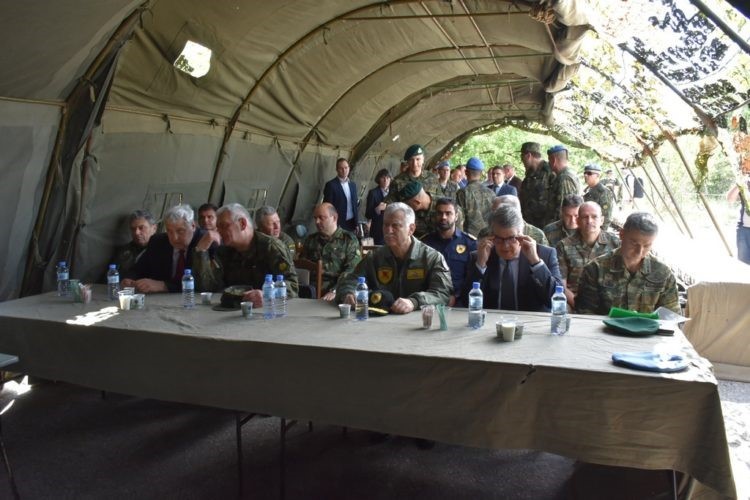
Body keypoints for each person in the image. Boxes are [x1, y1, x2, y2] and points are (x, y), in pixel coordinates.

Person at [336, 203, 452, 313]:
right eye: (385, 225)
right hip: (379, 319)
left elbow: (442, 294)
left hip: (417, 321)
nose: (388, 230)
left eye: (395, 226)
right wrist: (348, 293)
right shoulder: (375, 257)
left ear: (411, 229)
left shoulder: (432, 258)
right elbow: (351, 280)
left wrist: (414, 302)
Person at [192, 203, 298, 307]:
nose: (219, 231)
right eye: (218, 227)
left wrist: (268, 294)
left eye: (224, 226)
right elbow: (208, 288)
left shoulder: (271, 247)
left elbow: (292, 286)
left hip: (269, 310)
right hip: (235, 310)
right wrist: (201, 250)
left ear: (242, 224)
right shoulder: (224, 251)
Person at [576, 212, 680, 315]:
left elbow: (671, 317)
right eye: (634, 243)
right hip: (603, 326)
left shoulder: (663, 273)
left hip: (647, 327)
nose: (639, 251)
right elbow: (585, 314)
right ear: (622, 234)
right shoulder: (596, 269)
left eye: (646, 246)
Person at [462, 206, 561, 311]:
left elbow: (557, 299)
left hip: (530, 319)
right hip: (492, 319)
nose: (505, 246)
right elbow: (466, 301)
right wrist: (480, 265)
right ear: (491, 236)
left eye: (511, 238)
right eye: (499, 239)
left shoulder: (545, 255)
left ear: (521, 234)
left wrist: (536, 263)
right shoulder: (480, 257)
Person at [123, 204, 209, 293]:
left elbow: (204, 285)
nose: (174, 238)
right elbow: (138, 268)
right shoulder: (158, 241)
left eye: (180, 231)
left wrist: (164, 286)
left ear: (193, 226)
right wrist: (129, 279)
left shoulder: (204, 241)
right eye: (169, 231)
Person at [556, 202, 620, 309]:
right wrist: (579, 306)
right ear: (578, 221)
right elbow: (561, 284)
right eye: (585, 217)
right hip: (574, 301)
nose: (589, 221)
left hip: (608, 302)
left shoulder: (616, 244)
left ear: (602, 220)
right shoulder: (564, 246)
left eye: (594, 217)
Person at [302, 203, 362, 301]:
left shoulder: (348, 240)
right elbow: (302, 267)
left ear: (334, 218)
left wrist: (335, 290)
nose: (317, 222)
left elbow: (352, 270)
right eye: (315, 218)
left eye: (321, 218)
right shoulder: (311, 240)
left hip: (336, 292)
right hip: (310, 291)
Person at [423, 198, 477, 306]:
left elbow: (473, 277)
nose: (443, 217)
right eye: (440, 213)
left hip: (460, 303)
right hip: (430, 301)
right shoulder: (425, 243)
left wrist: (457, 296)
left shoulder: (470, 243)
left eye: (448, 213)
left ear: (456, 216)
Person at [399, 181, 464, 240]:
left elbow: (458, 238)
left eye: (408, 204)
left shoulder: (449, 208)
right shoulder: (412, 212)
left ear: (417, 203)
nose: (407, 207)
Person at [111, 209, 157, 280]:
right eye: (133, 229)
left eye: (141, 228)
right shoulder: (125, 251)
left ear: (154, 228)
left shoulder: (161, 250)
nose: (136, 233)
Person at [456, 156, 495, 237]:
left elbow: (459, 218)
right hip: (488, 237)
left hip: (469, 237)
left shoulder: (462, 193)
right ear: (481, 173)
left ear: (466, 172)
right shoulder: (491, 192)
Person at [519, 142, 554, 229]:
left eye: (522, 156)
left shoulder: (549, 172)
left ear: (528, 156)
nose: (521, 160)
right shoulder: (529, 174)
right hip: (528, 224)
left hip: (544, 226)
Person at [323, 158, 359, 232]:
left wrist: (356, 223)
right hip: (338, 224)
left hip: (352, 223)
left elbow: (355, 205)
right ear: (337, 169)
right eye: (341, 168)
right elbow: (328, 207)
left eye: (346, 167)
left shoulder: (353, 185)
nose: (344, 170)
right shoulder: (331, 185)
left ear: (349, 168)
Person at [547, 145, 581, 220]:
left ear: (553, 160)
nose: (548, 163)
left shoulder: (564, 178)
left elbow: (566, 209)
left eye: (549, 160)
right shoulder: (568, 174)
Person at [582, 163, 615, 230]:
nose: (585, 175)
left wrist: (600, 233)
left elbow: (606, 217)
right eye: (585, 173)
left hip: (595, 230)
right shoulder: (587, 190)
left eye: (589, 173)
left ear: (598, 175)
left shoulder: (603, 192)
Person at [726, 175, 750, 265]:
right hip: (744, 229)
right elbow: (730, 199)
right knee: (743, 264)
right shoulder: (744, 182)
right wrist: (740, 183)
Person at [365, 168, 391, 245]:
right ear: (378, 179)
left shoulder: (393, 193)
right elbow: (368, 214)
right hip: (377, 231)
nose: (385, 180)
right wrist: (377, 209)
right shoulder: (373, 193)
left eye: (388, 178)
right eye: (383, 178)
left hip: (391, 230)